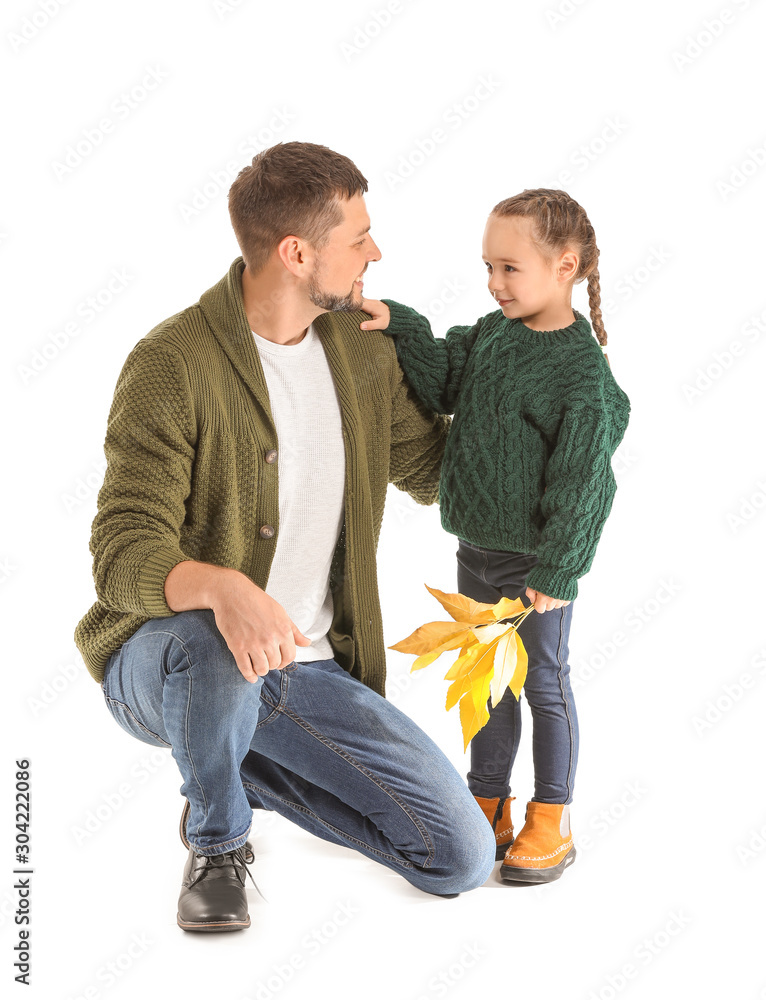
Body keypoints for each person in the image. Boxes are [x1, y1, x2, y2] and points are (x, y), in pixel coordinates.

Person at [73, 141, 496, 932]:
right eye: (359, 236)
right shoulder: (173, 363)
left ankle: (224, 768)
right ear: (297, 252)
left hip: (303, 673)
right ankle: (219, 842)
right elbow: (121, 553)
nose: (376, 251)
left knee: (461, 857)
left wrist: (513, 370)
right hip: (161, 661)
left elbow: (439, 474)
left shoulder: (364, 355)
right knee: (214, 636)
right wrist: (225, 588)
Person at [359, 188, 631, 883]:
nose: (494, 283)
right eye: (488, 266)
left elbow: (584, 485)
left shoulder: (580, 376)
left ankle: (552, 815)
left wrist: (558, 570)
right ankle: (487, 802)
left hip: (537, 569)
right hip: (475, 551)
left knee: (543, 682)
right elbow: (445, 379)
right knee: (484, 684)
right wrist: (401, 324)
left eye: (510, 268)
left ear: (565, 265)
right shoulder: (490, 334)